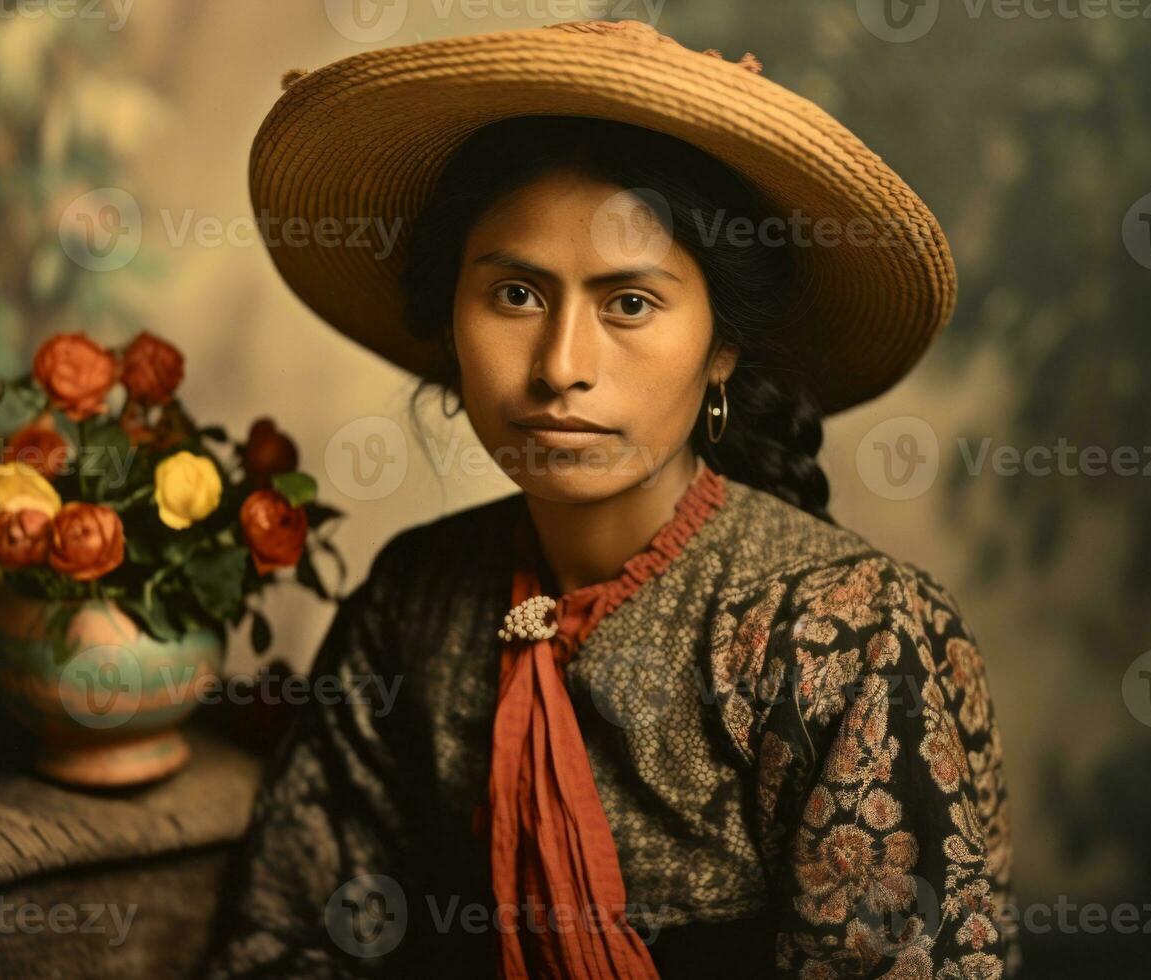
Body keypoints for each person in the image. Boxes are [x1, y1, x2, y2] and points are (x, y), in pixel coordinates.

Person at [204, 19, 1019, 979]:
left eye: (629, 304)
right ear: (449, 316)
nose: (560, 368)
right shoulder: (414, 601)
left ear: (722, 348)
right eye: (515, 295)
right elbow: (289, 941)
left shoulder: (848, 633)